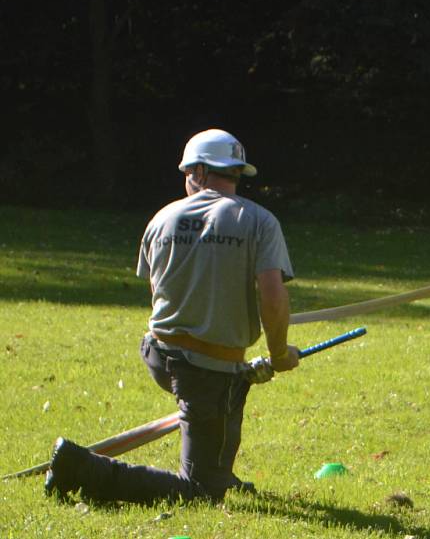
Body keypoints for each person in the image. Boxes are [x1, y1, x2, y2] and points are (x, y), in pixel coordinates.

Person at [44, 128, 299, 504]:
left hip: (158, 354)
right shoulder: (259, 221)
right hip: (205, 371)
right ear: (234, 173)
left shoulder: (161, 218)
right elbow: (273, 298)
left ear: (197, 171)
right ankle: (80, 466)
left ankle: (216, 467)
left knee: (226, 388)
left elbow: (158, 291)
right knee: (200, 491)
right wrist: (279, 354)